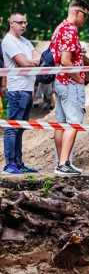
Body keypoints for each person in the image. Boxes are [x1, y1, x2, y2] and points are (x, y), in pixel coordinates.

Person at [52, 0, 89, 175]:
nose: (85, 19)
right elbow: (66, 61)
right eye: (85, 15)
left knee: (61, 123)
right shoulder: (69, 30)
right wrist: (80, 79)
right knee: (73, 123)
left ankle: (61, 162)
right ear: (77, 12)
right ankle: (63, 163)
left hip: (59, 82)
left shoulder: (59, 28)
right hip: (70, 83)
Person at [1, 11, 40, 174]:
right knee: (12, 128)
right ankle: (9, 164)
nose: (23, 25)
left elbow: (39, 58)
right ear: (11, 23)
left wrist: (28, 62)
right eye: (20, 22)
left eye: (25, 22)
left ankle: (18, 162)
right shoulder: (8, 41)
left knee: (21, 128)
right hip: (16, 90)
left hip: (28, 90)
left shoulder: (24, 41)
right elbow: (24, 62)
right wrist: (26, 62)